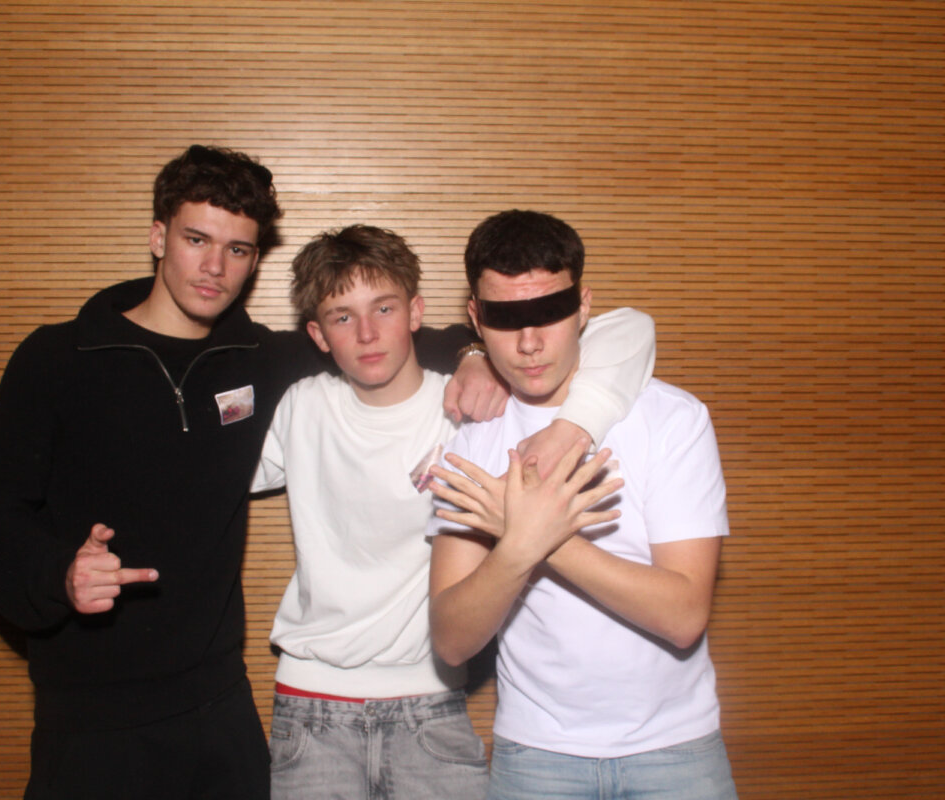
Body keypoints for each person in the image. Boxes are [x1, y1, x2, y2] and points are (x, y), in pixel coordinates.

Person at [0, 145, 496, 800]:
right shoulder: (57, 358)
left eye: (237, 249)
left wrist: (474, 351)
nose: (215, 267)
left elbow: (378, 336)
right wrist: (57, 574)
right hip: (92, 714)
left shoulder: (258, 360)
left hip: (220, 710)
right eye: (196, 239)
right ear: (158, 237)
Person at [250, 224, 657, 799]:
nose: (367, 333)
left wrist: (483, 360)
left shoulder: (471, 410)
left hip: (432, 705)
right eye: (342, 317)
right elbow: (201, 474)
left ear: (416, 311)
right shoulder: (301, 407)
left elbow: (632, 328)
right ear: (317, 334)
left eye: (384, 308)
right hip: (311, 704)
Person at [428, 210, 738, 800]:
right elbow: (451, 639)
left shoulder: (674, 419)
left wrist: (532, 535)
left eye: (549, 312)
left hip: (676, 750)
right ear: (476, 317)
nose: (529, 343)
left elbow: (683, 616)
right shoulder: (476, 439)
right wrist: (520, 547)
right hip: (535, 755)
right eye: (505, 318)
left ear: (584, 306)